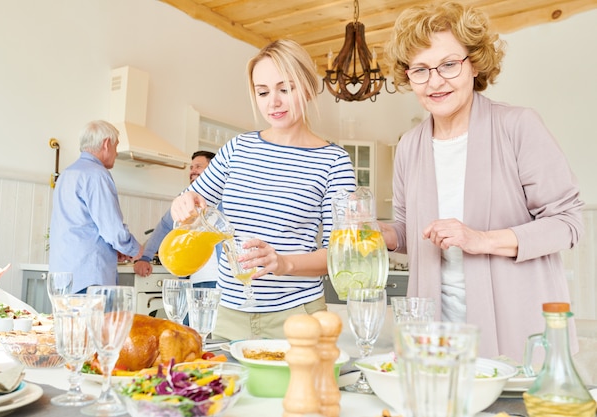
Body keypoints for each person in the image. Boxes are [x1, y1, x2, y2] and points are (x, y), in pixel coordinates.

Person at [381, 2, 584, 362]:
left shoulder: (518, 126)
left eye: (448, 64)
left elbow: (568, 223)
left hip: (520, 329)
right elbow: (409, 230)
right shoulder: (409, 145)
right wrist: (383, 234)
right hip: (437, 335)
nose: (435, 81)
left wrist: (480, 239)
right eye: (420, 70)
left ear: (473, 63)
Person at [170, 39, 356, 341]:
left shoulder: (333, 161)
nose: (274, 102)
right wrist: (184, 202)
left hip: (297, 316)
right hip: (226, 315)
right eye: (263, 92)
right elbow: (194, 202)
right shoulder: (238, 149)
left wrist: (283, 263)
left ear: (308, 88)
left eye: (286, 89)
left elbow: (341, 256)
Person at [49, 120, 143, 294]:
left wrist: (114, 250)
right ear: (107, 144)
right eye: (116, 146)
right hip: (89, 278)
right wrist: (136, 250)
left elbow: (82, 225)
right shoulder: (97, 175)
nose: (116, 153)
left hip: (63, 279)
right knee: (94, 322)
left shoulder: (66, 174)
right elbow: (113, 230)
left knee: (69, 322)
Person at [134, 150, 217, 289]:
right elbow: (164, 227)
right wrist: (145, 258)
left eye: (198, 166)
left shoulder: (226, 197)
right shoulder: (185, 200)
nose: (192, 171)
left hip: (220, 279)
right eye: (191, 168)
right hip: (193, 278)